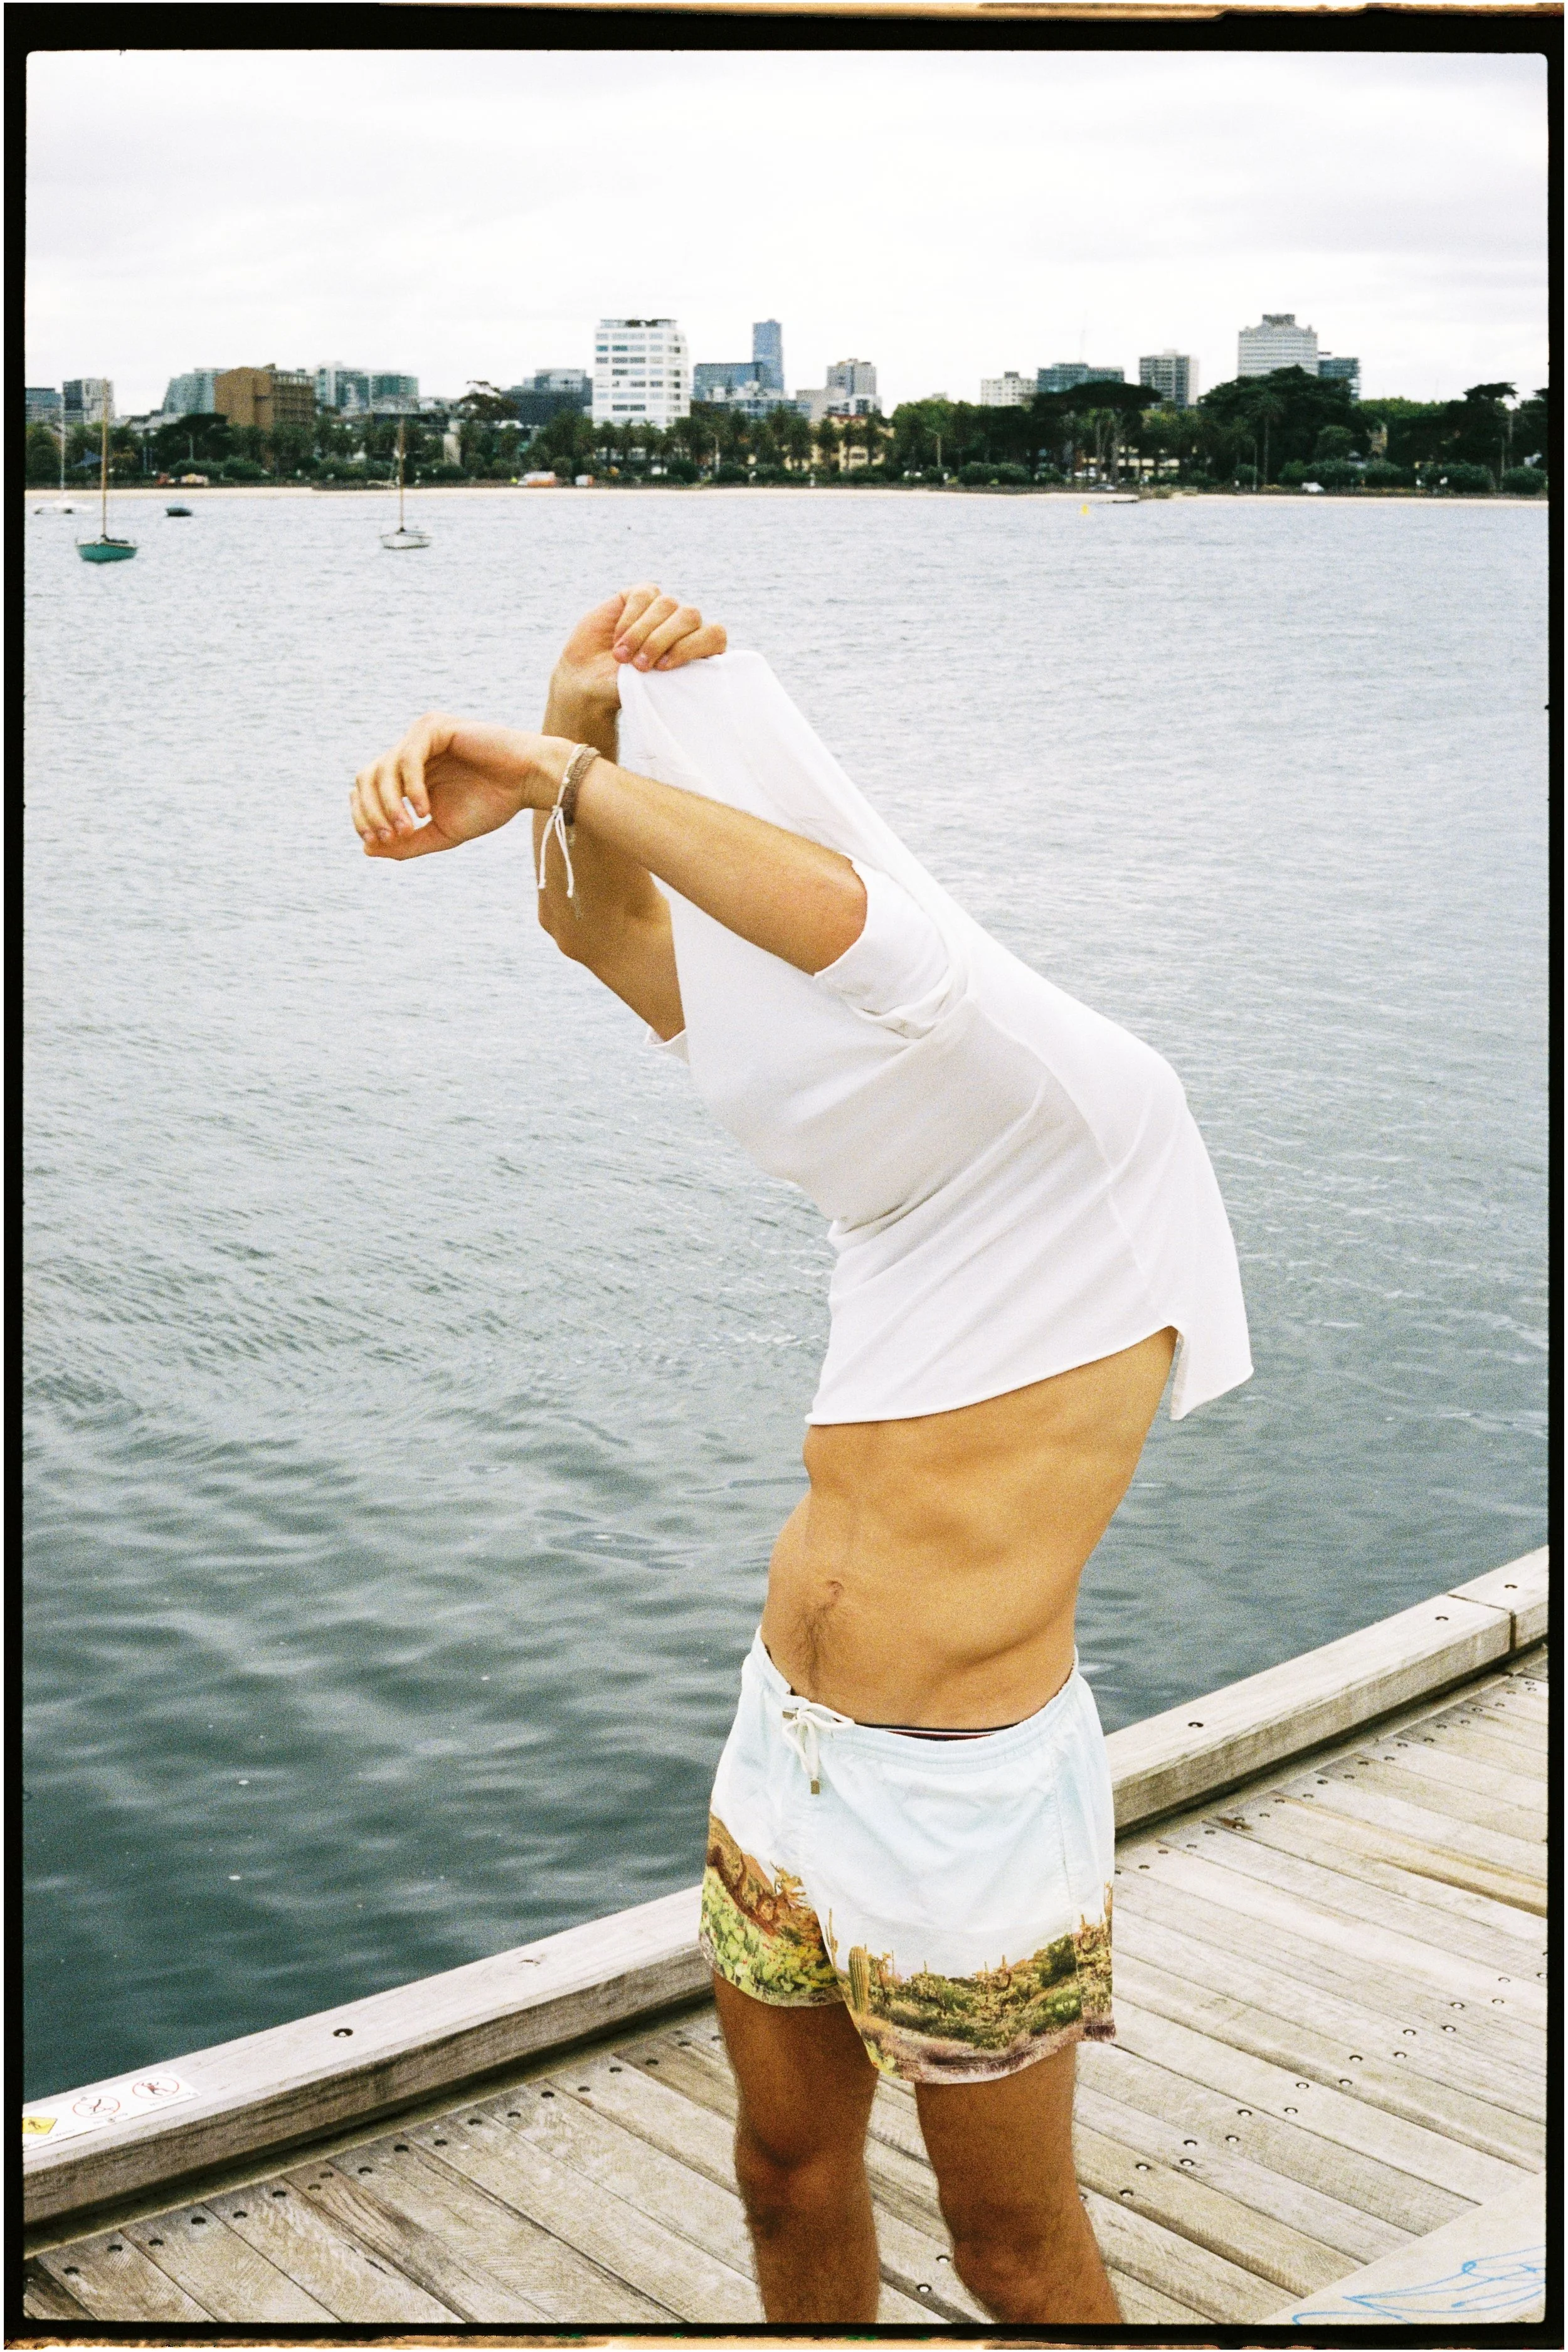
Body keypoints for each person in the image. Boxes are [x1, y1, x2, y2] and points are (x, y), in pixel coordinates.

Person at [350, 585, 1251, 2324]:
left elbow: (845, 920)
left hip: (968, 1800)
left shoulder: (1075, 1096)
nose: (777, 1012)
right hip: (784, 1748)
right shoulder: (891, 1165)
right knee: (781, 2177)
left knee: (1010, 2248)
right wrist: (583, 714)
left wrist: (548, 767)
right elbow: (604, 938)